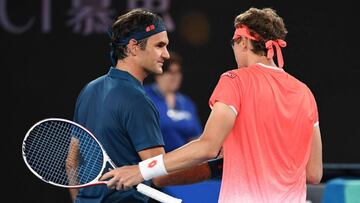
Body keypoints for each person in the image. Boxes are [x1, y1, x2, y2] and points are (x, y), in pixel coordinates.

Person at [101, 7, 323, 203]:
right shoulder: (305, 93)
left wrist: (141, 170)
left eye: (233, 44)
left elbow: (208, 147)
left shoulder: (235, 80)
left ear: (243, 42)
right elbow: (313, 174)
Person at [68, 8, 170, 203]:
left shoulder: (89, 89)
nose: (166, 55)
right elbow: (160, 173)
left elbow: (72, 162)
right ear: (133, 47)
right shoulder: (138, 99)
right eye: (159, 45)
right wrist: (209, 165)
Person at [144, 51, 203, 152]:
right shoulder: (144, 96)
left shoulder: (187, 103)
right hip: (154, 160)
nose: (175, 77)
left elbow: (196, 137)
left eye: (178, 72)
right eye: (170, 72)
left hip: (183, 162)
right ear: (159, 74)